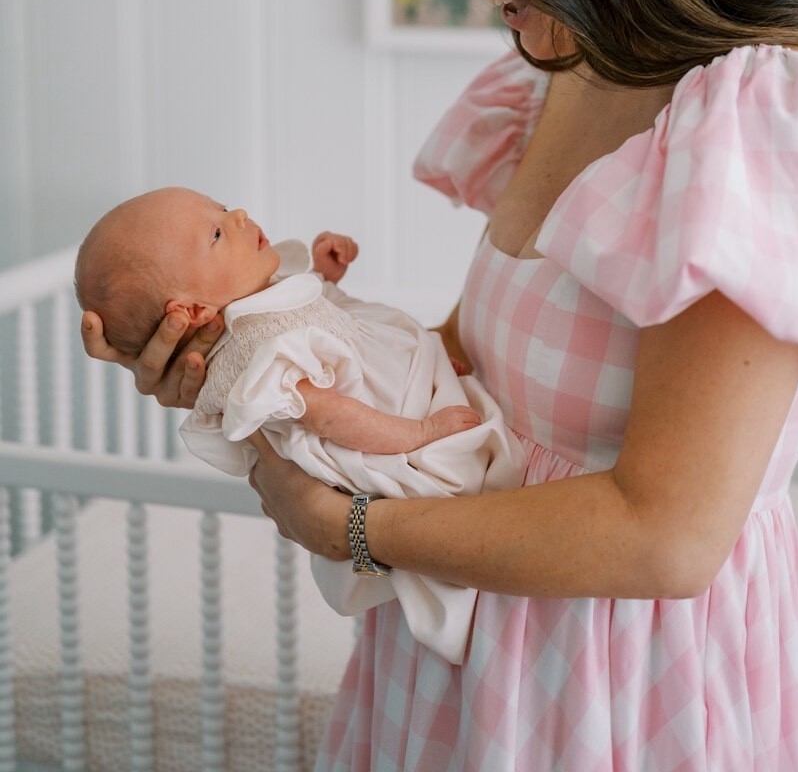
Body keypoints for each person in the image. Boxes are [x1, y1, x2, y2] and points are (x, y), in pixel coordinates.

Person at [82, 0, 798, 771]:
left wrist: (347, 525)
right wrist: (247, 351)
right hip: (462, 632)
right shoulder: (575, 66)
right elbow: (471, 365)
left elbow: (665, 533)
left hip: (614, 671)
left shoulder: (753, 114)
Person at [75, 187, 525, 661]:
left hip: (377, 396)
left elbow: (322, 316)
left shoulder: (257, 302)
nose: (241, 216)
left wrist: (324, 277)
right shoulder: (255, 352)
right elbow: (332, 417)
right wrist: (421, 432)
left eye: (224, 208)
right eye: (216, 232)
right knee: (442, 458)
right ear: (191, 312)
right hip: (378, 432)